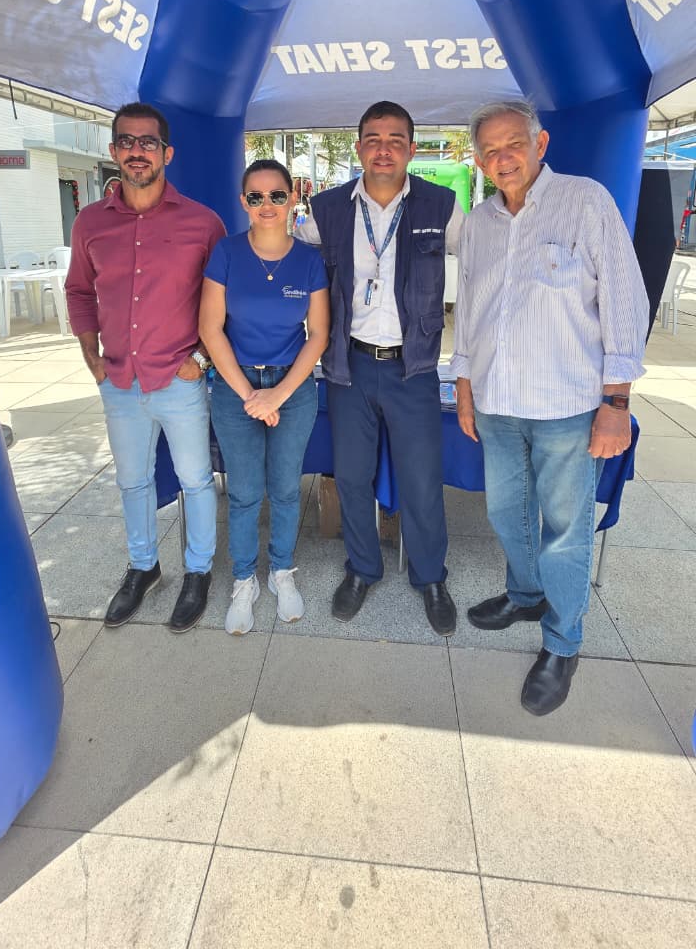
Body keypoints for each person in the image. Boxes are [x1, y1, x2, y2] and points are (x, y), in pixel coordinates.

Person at [452, 100, 649, 715]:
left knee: (564, 531)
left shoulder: (585, 202)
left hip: (568, 405)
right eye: (490, 150)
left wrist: (616, 402)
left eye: (513, 144)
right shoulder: (479, 222)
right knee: (507, 514)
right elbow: (471, 311)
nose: (502, 158)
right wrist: (464, 386)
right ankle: (525, 594)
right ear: (479, 161)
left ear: (540, 143)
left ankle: (563, 642)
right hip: (497, 403)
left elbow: (625, 301)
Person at [298, 101, 464, 634]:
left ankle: (430, 576)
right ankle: (362, 569)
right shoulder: (327, 209)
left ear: (412, 149)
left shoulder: (442, 205)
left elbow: (486, 265)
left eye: (396, 140)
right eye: (373, 138)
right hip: (348, 365)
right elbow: (289, 259)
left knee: (421, 479)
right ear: (359, 147)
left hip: (414, 368)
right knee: (351, 476)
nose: (384, 149)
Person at [66, 102, 225, 633]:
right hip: (117, 380)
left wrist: (201, 359)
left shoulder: (203, 223)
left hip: (179, 378)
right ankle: (143, 567)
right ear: (114, 151)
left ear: (167, 153)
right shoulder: (90, 222)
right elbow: (78, 291)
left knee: (196, 481)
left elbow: (224, 299)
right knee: (132, 482)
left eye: (148, 142)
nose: (138, 151)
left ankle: (198, 571)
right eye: (128, 142)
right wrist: (90, 354)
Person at [199, 160, 329, 635]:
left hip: (291, 387)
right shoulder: (226, 253)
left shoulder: (309, 260)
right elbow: (210, 329)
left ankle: (281, 571)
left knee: (286, 487)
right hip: (236, 386)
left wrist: (278, 394)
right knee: (245, 491)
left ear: (293, 197)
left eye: (277, 195)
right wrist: (251, 395)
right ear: (244, 202)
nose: (267, 205)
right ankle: (243, 579)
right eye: (256, 197)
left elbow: (318, 335)